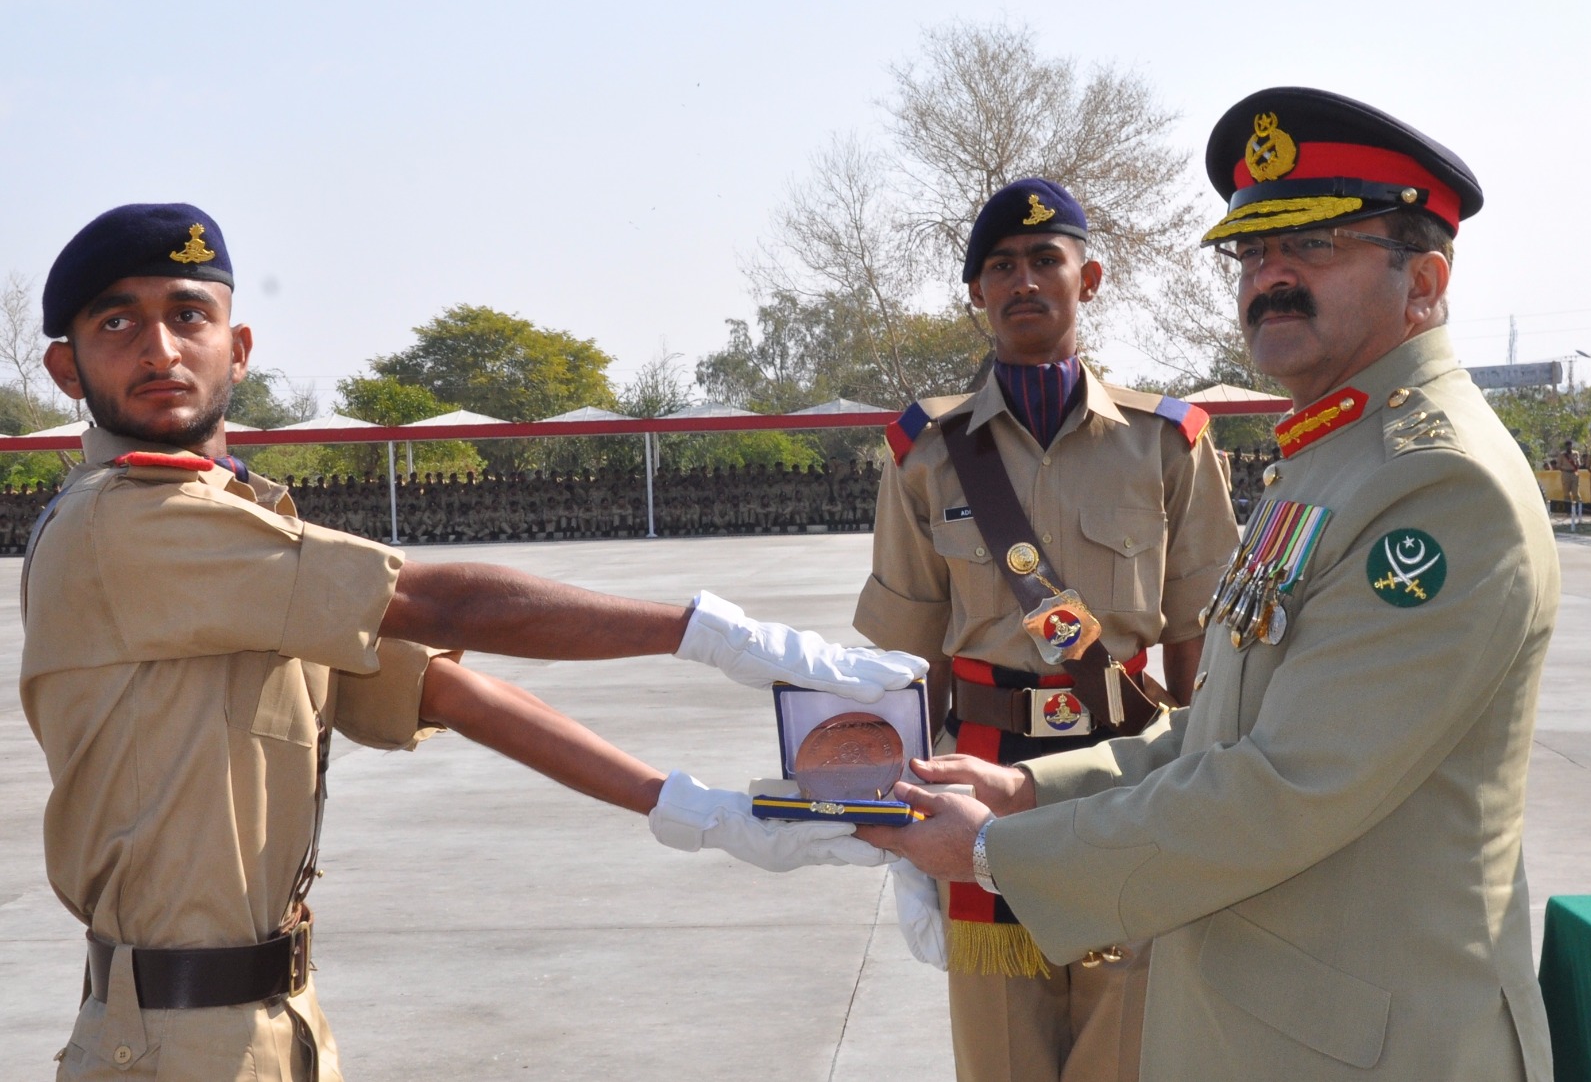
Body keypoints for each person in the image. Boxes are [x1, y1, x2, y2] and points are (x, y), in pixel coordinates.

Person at [21, 203, 923, 1082]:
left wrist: (694, 811)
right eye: (117, 323)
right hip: (170, 1045)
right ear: (67, 368)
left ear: (239, 347)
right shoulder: (123, 524)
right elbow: (435, 605)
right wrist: (708, 632)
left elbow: (447, 690)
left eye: (188, 315)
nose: (160, 349)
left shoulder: (238, 536)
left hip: (273, 1025)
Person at [864, 88, 1560, 1081]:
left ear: (1425, 282)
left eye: (1315, 246)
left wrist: (994, 855)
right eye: (1251, 252)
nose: (1269, 277)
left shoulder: (1434, 484)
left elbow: (1283, 786)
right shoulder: (1332, 456)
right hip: (1272, 1021)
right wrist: (1021, 788)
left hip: (1370, 1044)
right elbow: (1214, 732)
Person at [851, 178, 1236, 1082]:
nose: (1024, 280)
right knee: (1003, 1052)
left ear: (1088, 277)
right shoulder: (928, 453)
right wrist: (897, 805)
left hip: (1131, 764)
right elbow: (909, 657)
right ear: (976, 293)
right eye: (1000, 266)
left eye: (1044, 260)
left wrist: (1214, 790)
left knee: (1130, 1040)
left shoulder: (1168, 442)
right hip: (982, 761)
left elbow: (1199, 647)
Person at [1558, 439, 1582, 527]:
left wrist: (1576, 464)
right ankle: (1568, 511)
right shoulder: (1562, 455)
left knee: (1576, 492)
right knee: (1566, 493)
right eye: (1568, 445)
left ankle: (1579, 511)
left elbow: (1579, 463)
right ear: (1566, 446)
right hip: (1565, 473)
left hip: (1574, 473)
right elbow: (1558, 465)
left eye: (1570, 445)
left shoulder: (1576, 453)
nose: (1569, 447)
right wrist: (1565, 470)